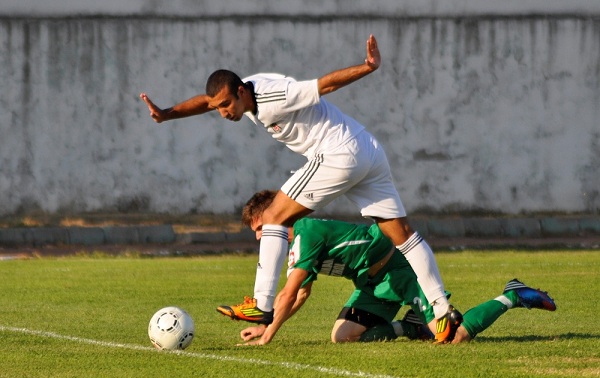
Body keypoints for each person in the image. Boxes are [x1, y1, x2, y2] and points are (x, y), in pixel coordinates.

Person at [140, 35, 456, 341]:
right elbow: (206, 101)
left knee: (275, 215)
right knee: (403, 235)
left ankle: (261, 305)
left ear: (240, 92)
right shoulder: (243, 92)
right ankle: (441, 311)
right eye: (218, 108)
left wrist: (368, 67)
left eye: (226, 105)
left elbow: (324, 85)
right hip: (367, 150)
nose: (223, 113)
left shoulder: (274, 96)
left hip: (339, 153)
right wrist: (168, 114)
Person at [235, 190, 557, 346]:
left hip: (400, 271)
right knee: (343, 337)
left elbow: (290, 292)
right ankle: (413, 326)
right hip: (372, 284)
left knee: (452, 338)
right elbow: (302, 293)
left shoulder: (306, 234)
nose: (260, 237)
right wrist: (270, 325)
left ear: (278, 216)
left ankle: (511, 296)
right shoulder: (297, 244)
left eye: (261, 228)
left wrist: (268, 331)